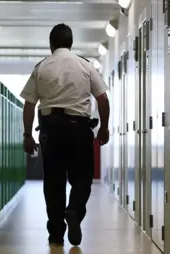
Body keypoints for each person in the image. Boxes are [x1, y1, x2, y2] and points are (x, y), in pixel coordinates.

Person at [19, 23, 110, 247]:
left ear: (51, 45)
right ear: (71, 43)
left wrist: (27, 135)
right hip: (79, 128)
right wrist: (104, 128)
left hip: (51, 130)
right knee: (82, 178)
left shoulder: (41, 67)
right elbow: (103, 99)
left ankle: (56, 234)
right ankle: (74, 210)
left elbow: (29, 104)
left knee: (54, 183)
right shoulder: (85, 65)